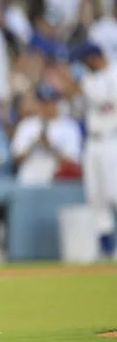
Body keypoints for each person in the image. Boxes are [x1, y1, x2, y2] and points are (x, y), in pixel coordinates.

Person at [57, 43, 117, 260]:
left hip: (112, 140)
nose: (82, 66)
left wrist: (77, 81)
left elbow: (101, 98)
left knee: (114, 194)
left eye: (84, 62)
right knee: (96, 197)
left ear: (94, 58)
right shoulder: (91, 79)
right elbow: (73, 100)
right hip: (92, 142)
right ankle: (107, 249)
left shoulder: (113, 74)